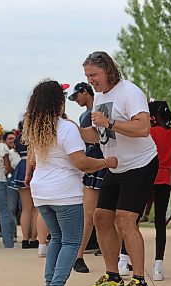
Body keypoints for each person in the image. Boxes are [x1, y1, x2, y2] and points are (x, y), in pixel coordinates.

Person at [23, 80, 117, 286]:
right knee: (72, 241)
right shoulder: (65, 128)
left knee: (57, 237)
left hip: (42, 192)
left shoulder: (36, 128)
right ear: (59, 102)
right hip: (64, 192)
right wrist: (107, 162)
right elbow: (81, 163)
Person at [78, 51, 158, 286]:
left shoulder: (130, 92)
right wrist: (68, 128)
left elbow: (143, 128)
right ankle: (113, 276)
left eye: (94, 75)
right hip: (116, 167)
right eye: (87, 76)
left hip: (141, 164)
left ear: (108, 71)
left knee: (125, 220)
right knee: (101, 217)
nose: (91, 80)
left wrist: (109, 122)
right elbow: (96, 135)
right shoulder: (101, 96)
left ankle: (140, 283)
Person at [67, 82, 104, 273]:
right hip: (96, 160)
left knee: (111, 214)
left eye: (76, 97)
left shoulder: (101, 107)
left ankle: (120, 256)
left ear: (84, 92)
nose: (76, 101)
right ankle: (78, 255)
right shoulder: (84, 116)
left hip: (105, 158)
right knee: (88, 213)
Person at [149, 101, 171, 281]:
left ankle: (124, 260)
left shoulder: (151, 132)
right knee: (160, 223)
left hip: (147, 178)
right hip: (165, 179)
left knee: (132, 220)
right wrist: (168, 168)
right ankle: (158, 267)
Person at [10, 121, 39, 249]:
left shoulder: (18, 139)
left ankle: (25, 239)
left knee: (26, 208)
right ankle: (34, 239)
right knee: (36, 208)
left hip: (21, 166)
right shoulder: (36, 136)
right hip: (34, 165)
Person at [3, 131, 21, 242]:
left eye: (13, 138)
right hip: (11, 183)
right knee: (11, 209)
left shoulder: (21, 153)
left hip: (23, 183)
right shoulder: (7, 153)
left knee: (24, 209)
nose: (12, 140)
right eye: (9, 138)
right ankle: (12, 233)